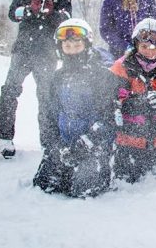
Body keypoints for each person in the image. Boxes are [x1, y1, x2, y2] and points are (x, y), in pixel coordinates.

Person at [0, 0, 72, 158]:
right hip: (23, 51)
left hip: (47, 53)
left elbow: (67, 19)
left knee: (46, 96)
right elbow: (13, 13)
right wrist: (29, 10)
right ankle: (3, 136)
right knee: (10, 89)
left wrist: (50, 13)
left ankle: (48, 141)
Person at [33, 19, 117, 198]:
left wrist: (85, 144)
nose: (72, 50)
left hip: (93, 147)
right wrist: (56, 146)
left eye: (77, 45)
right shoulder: (56, 78)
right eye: (67, 46)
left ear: (87, 45)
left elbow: (109, 119)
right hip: (63, 146)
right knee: (44, 186)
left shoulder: (103, 76)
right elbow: (48, 116)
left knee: (82, 191)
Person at [111, 18, 156, 183]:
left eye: (154, 48)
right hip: (126, 140)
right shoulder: (122, 66)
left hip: (154, 141)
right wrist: (136, 103)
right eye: (144, 47)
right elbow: (114, 97)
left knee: (153, 187)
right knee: (125, 190)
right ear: (136, 45)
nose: (149, 52)